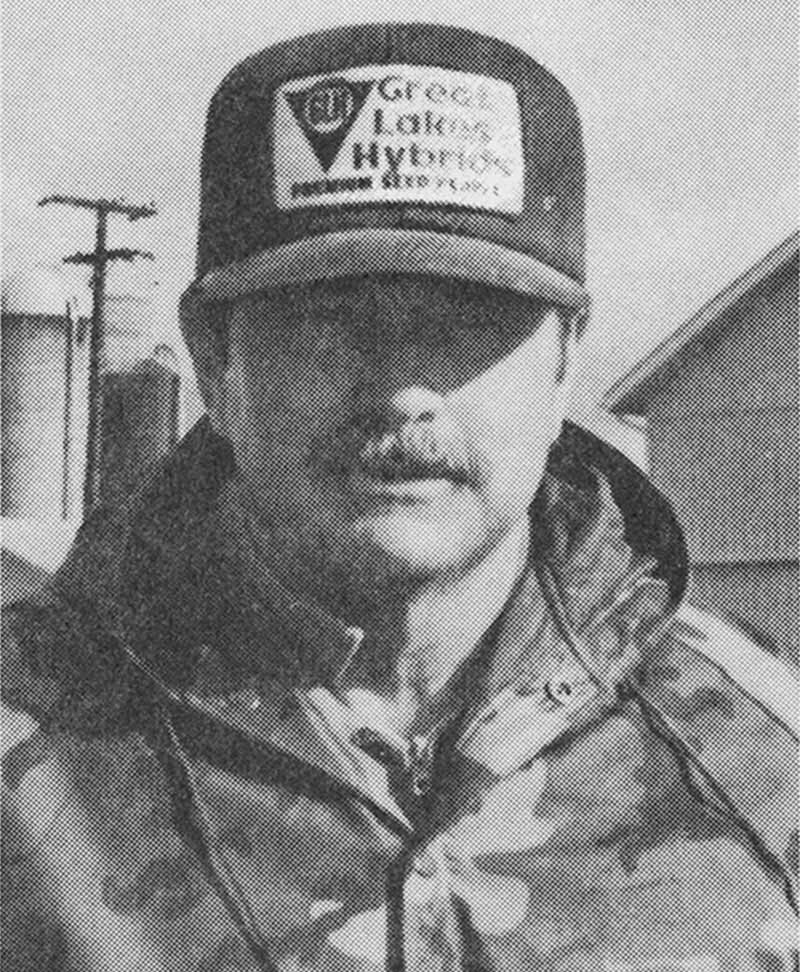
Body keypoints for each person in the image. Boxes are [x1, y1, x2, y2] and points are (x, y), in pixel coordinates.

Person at [2, 23, 797, 972]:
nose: (401, 390)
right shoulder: (28, 750)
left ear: (564, 359)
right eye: (331, 319)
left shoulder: (768, 748)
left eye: (467, 322)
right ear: (216, 353)